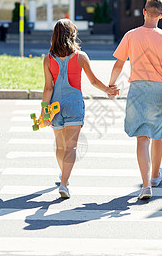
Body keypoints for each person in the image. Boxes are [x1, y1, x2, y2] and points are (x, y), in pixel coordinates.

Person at [108, 0, 162, 200]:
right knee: (158, 135)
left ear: (144, 11)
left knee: (142, 138)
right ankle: (156, 175)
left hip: (137, 90)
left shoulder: (131, 35)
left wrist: (111, 85)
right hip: (158, 91)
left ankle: (145, 185)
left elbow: (119, 64)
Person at [42, 19, 119, 199]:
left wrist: (44, 113)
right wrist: (108, 90)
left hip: (55, 107)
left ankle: (63, 176)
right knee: (71, 147)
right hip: (74, 105)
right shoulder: (81, 56)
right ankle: (64, 183)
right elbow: (93, 80)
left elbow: (48, 88)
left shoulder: (48, 59)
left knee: (60, 145)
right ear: (72, 35)